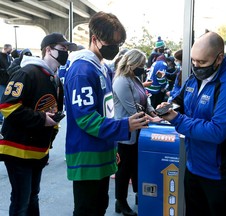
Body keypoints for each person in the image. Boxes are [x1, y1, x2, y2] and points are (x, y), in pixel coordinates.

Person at [64, 11, 149, 216]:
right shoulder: (82, 70)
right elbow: (86, 118)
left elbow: (107, 111)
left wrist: (113, 147)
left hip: (102, 152)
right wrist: (124, 126)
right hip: (87, 156)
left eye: (119, 44)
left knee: (100, 206)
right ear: (94, 39)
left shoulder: (101, 67)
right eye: (111, 43)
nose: (115, 49)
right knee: (88, 209)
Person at [158, 31, 226, 216]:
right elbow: (181, 101)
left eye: (202, 62)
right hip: (194, 167)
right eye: (193, 61)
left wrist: (176, 119)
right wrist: (165, 109)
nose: (196, 66)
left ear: (219, 58)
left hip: (221, 174)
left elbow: (217, 132)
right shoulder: (195, 77)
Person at [0, 32, 76, 215]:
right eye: (62, 48)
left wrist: (51, 129)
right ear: (48, 50)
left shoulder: (56, 80)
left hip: (38, 150)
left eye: (67, 49)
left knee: (33, 196)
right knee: (21, 201)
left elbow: (51, 111)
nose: (66, 52)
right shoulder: (27, 73)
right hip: (17, 149)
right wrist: (42, 119)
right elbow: (7, 106)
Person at [113, 49, 161, 216]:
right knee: (123, 170)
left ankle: (138, 195)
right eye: (140, 65)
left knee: (135, 166)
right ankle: (121, 201)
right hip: (125, 133)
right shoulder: (121, 81)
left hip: (139, 131)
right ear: (131, 63)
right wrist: (152, 119)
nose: (143, 68)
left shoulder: (136, 79)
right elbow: (132, 109)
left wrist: (155, 113)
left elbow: (145, 101)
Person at [0, 44, 13, 124]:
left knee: (5, 100)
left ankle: (3, 117)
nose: (11, 51)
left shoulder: (9, 57)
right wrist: (5, 71)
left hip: (8, 82)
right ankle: (0, 118)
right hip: (1, 82)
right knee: (1, 99)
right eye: (10, 49)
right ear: (6, 48)